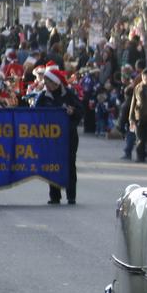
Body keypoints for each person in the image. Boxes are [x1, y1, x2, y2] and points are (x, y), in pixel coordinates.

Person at [36, 69, 83, 205]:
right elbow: (35, 114)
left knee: (69, 165)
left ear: (55, 83)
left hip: (68, 136)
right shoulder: (44, 96)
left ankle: (71, 195)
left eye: (48, 82)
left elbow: (81, 111)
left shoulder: (69, 95)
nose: (46, 84)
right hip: (51, 137)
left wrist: (72, 111)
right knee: (52, 165)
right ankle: (55, 196)